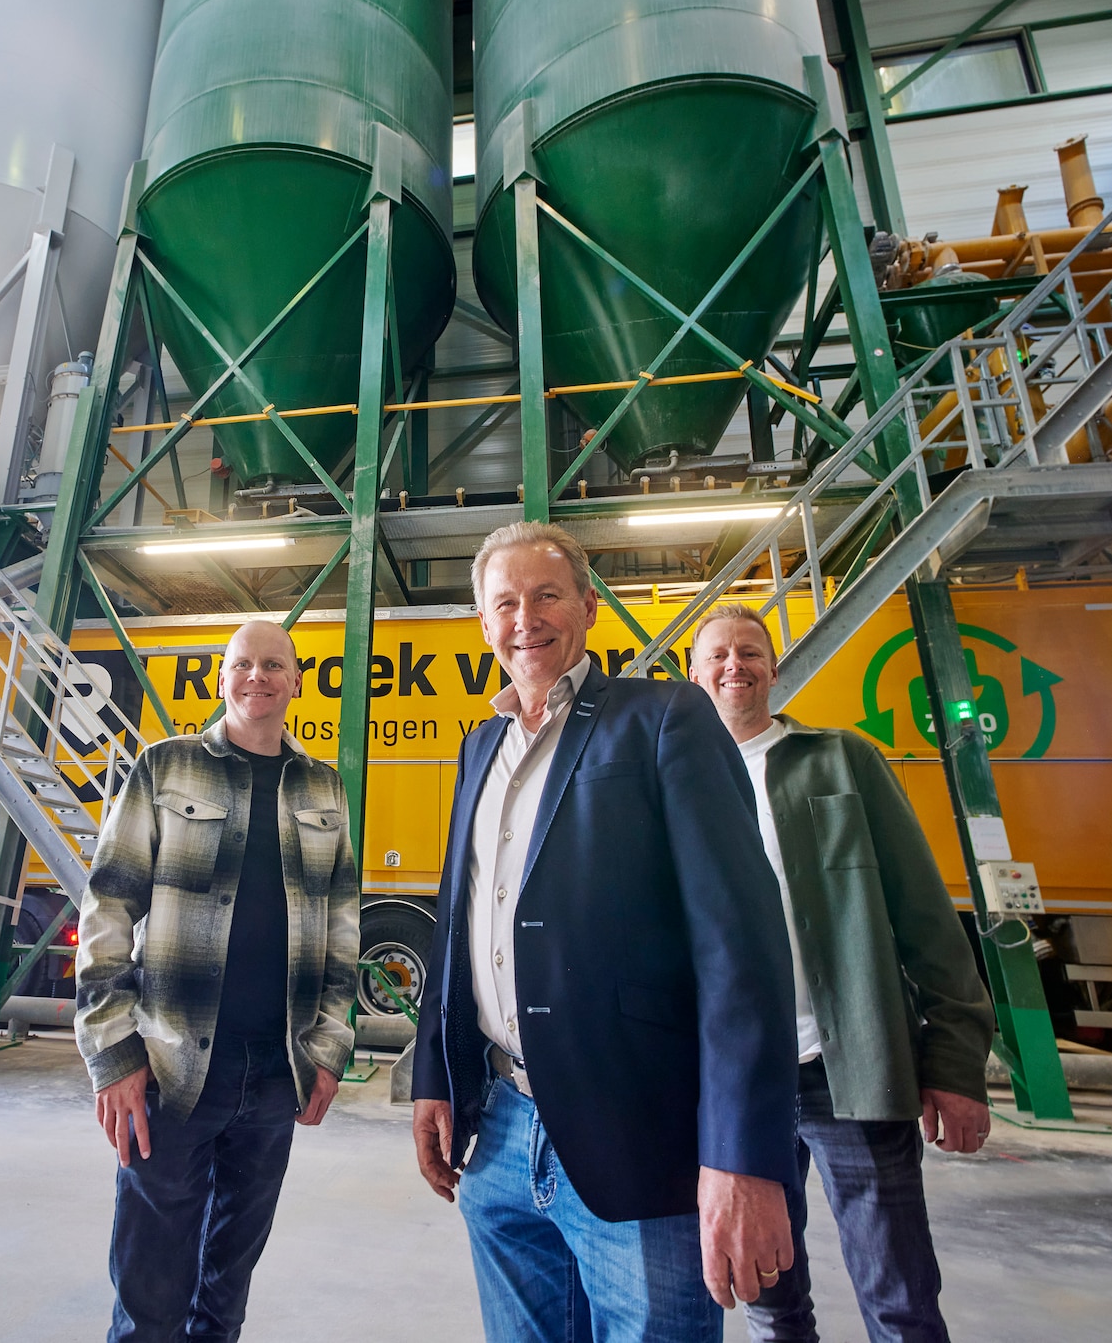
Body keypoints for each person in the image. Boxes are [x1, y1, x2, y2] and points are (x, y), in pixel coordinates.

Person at [411, 521, 802, 1342]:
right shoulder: (479, 746)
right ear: (484, 624)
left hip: (640, 1132)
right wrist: (434, 1077)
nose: (527, 618)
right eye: (506, 602)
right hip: (501, 1125)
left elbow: (740, 944)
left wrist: (742, 1155)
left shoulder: (662, 716)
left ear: (589, 607)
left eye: (547, 594)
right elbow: (460, 918)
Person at [688, 604, 995, 1343]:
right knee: (769, 1299)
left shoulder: (839, 760)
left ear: (775, 668)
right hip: (733, 1084)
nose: (736, 666)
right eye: (719, 655)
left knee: (899, 1296)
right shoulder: (676, 782)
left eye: (751, 652)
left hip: (845, 1066)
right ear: (692, 677)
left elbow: (924, 913)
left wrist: (953, 1061)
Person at [75, 619, 359, 1343]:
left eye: (273, 665)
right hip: (170, 1070)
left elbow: (341, 928)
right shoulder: (164, 767)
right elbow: (109, 905)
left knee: (227, 1287)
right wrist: (113, 1054)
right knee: (151, 1295)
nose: (256, 676)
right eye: (241, 664)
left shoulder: (324, 787)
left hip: (274, 1074)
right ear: (221, 677)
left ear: (297, 682)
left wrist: (328, 1049)